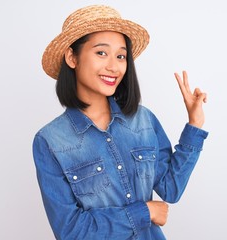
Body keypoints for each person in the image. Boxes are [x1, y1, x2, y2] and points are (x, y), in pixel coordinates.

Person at [33, 4, 208, 240]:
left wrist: (194, 124)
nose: (114, 67)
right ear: (72, 57)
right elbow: (70, 231)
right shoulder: (50, 141)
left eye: (121, 56)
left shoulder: (143, 120)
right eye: (101, 53)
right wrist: (144, 212)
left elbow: (171, 189)